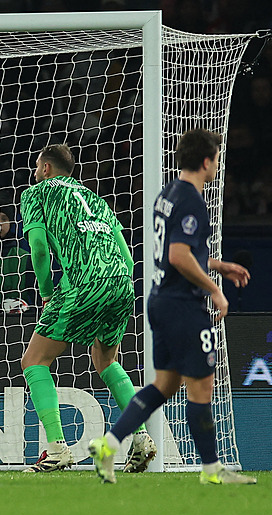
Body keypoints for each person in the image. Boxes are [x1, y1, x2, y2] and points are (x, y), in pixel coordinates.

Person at [89, 129, 256, 485]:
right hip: (183, 305)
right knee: (202, 386)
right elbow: (179, 256)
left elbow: (179, 252)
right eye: (216, 158)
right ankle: (211, 469)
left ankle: (109, 443)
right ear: (207, 160)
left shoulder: (167, 194)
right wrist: (215, 289)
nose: (217, 164)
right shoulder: (193, 201)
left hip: (160, 301)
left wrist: (217, 265)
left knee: (164, 386)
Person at [19, 144, 156, 473]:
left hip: (85, 281)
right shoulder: (97, 200)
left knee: (34, 359)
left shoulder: (36, 193)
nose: (36, 172)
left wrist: (47, 292)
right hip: (122, 282)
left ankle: (56, 449)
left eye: (38, 167)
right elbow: (126, 256)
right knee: (105, 360)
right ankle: (140, 437)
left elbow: (38, 248)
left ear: (47, 169)